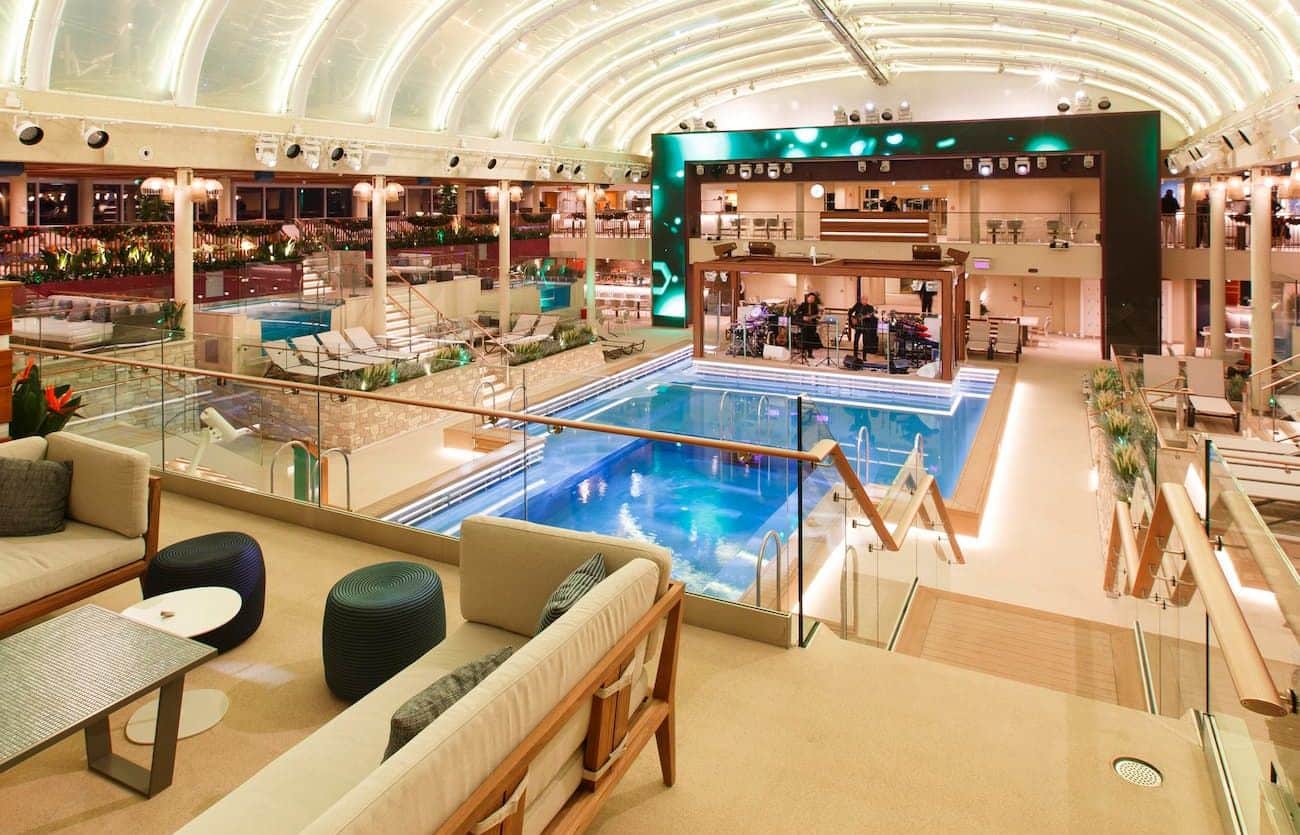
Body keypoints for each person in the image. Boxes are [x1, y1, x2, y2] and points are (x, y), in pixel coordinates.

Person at [794, 291, 822, 359]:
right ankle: (803, 353)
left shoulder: (815, 306)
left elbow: (818, 315)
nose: (812, 299)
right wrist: (803, 317)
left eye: (813, 298)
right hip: (804, 324)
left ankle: (810, 353)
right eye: (811, 298)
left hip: (812, 325)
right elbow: (797, 312)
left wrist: (816, 316)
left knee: (811, 339)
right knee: (804, 338)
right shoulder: (803, 304)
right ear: (807, 298)